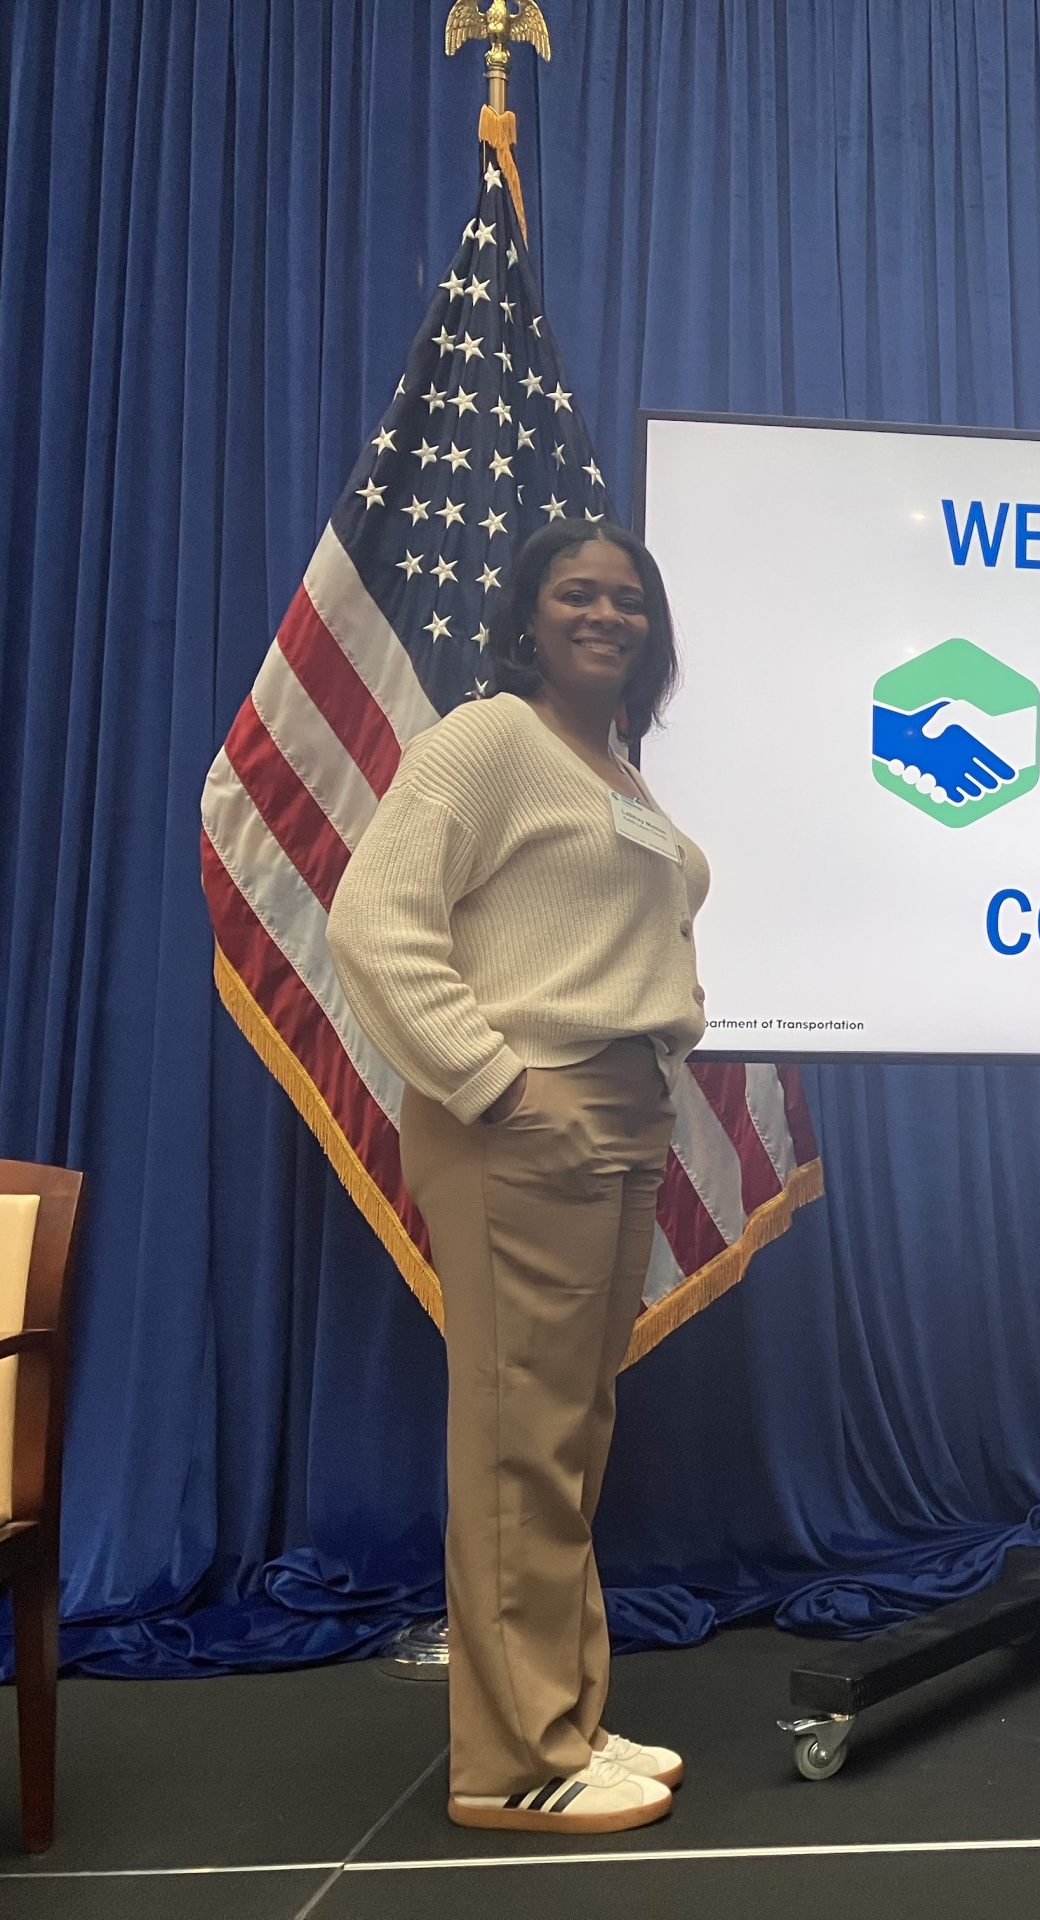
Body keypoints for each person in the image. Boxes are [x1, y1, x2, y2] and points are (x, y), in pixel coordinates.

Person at [330, 518, 710, 1835]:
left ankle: (566, 1718)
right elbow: (371, 923)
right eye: (579, 593)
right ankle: (511, 1765)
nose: (608, 614)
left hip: (619, 1108)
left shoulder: (610, 766)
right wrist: (496, 1084)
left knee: (565, 1435)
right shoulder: (486, 739)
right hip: (520, 1118)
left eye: (630, 599)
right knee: (518, 1442)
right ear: (529, 614)